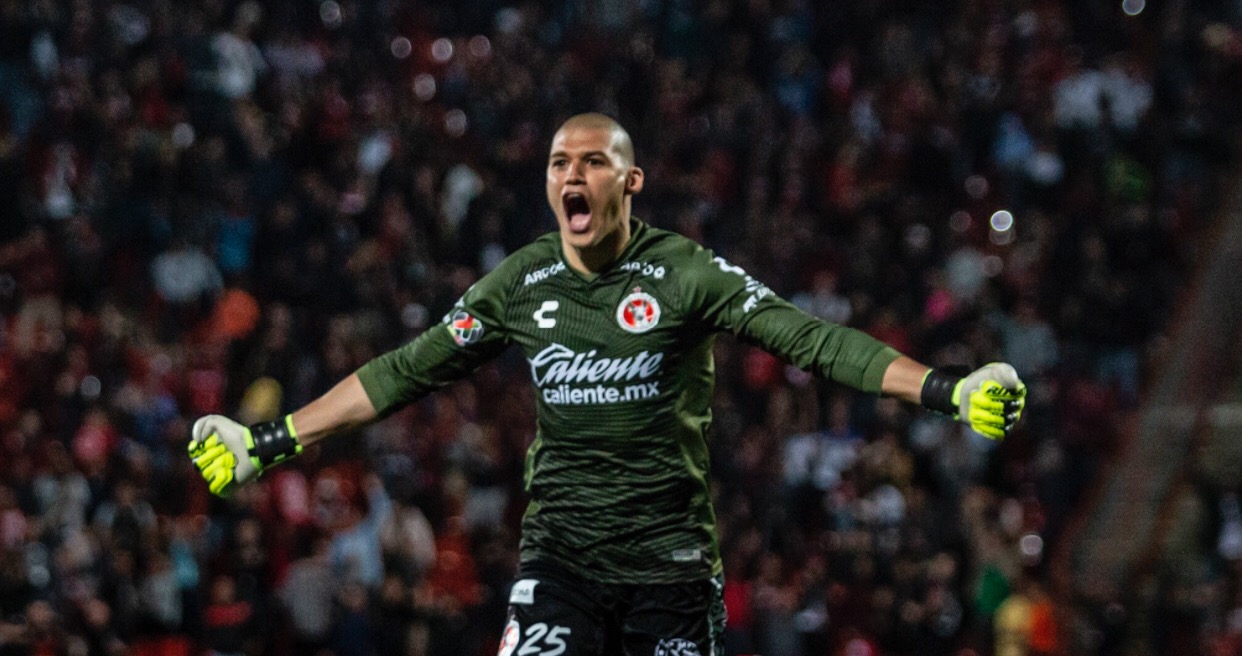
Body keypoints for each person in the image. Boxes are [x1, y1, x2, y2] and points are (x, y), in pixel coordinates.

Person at [188, 113, 1026, 655]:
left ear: (630, 183)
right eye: (560, 162)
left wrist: (946, 389)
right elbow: (404, 371)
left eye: (593, 162)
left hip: (671, 568)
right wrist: (270, 439)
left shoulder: (685, 273)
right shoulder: (522, 283)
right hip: (562, 561)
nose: (572, 175)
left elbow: (812, 341)